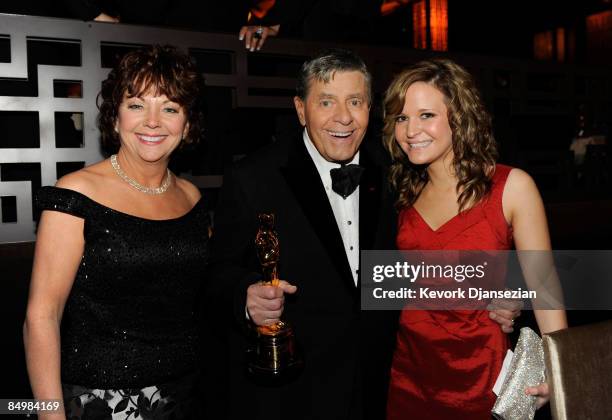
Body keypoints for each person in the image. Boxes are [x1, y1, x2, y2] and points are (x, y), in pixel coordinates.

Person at [209, 48, 519, 420]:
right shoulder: (253, 178)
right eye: (326, 102)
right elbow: (215, 275)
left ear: (369, 108)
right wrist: (245, 298)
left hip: (384, 385)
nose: (343, 117)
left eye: (355, 101)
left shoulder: (400, 171)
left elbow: (442, 248)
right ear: (300, 109)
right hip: (293, 394)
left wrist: (503, 287)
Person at [23, 45, 207, 419]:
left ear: (186, 125)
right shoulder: (75, 193)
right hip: (95, 403)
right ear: (115, 116)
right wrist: (49, 414)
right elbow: (41, 317)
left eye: (169, 108)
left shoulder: (192, 198)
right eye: (137, 104)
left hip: (185, 397)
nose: (152, 122)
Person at [382, 58, 568, 419]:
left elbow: (544, 284)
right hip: (408, 377)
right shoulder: (401, 193)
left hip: (483, 378)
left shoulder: (511, 187)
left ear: (459, 116)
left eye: (426, 115)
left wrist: (559, 368)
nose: (410, 130)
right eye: (402, 118)